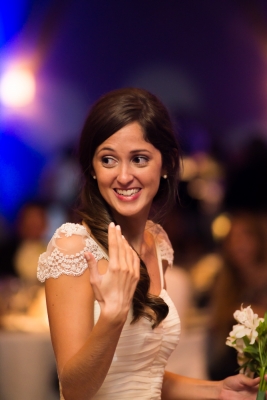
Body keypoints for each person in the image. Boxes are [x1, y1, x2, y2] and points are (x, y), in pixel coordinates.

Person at [37, 88, 261, 400]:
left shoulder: (157, 243)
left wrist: (217, 389)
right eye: (108, 159)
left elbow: (144, 375)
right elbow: (74, 389)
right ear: (92, 168)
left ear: (167, 164)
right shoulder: (73, 249)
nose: (124, 175)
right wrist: (113, 315)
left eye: (139, 159)